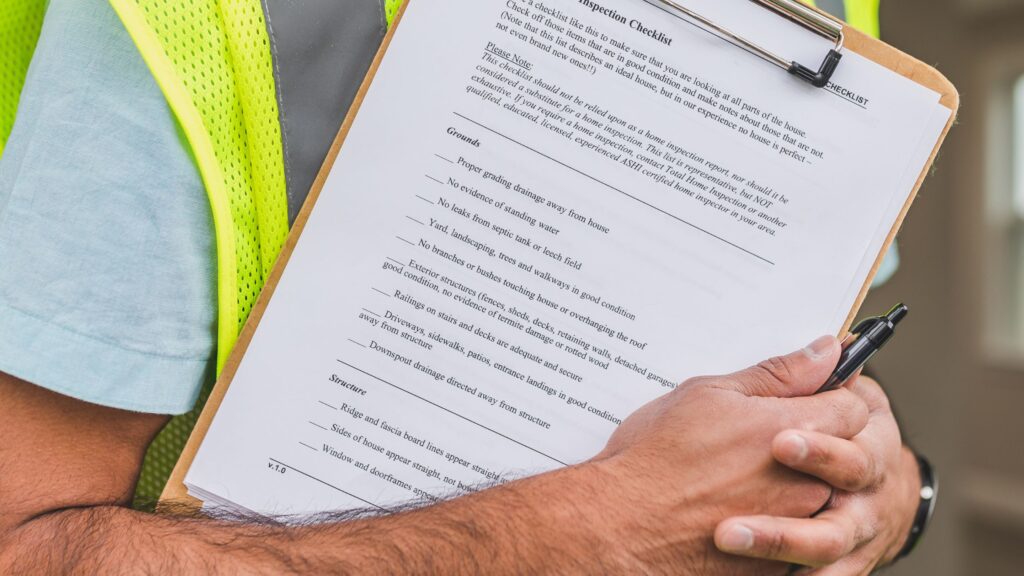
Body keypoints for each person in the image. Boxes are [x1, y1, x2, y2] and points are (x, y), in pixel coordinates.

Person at [0, 0, 926, 573]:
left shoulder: (830, 16)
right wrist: (579, 538)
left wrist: (885, 498)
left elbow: (817, 381)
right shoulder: (188, 20)